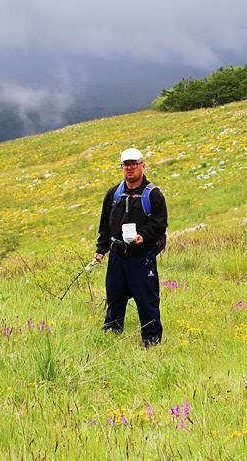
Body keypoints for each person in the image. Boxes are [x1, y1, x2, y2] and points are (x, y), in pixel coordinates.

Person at [94, 148, 168, 347]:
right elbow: (105, 224)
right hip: (117, 255)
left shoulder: (153, 195)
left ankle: (152, 343)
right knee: (114, 298)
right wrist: (101, 249)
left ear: (142, 165)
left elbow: (160, 224)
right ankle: (111, 338)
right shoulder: (113, 194)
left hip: (142, 257)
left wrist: (142, 236)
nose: (129, 168)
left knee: (147, 301)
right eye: (126, 165)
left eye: (133, 164)